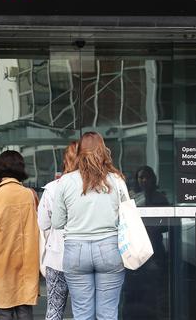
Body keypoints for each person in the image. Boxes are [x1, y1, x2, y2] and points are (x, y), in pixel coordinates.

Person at [52, 131, 126, 320]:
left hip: (75, 250)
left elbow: (57, 223)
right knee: (108, 313)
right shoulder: (116, 180)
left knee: (82, 314)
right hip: (109, 247)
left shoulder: (65, 182)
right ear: (103, 150)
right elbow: (126, 216)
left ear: (79, 152)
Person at [0, 150, 40, 320]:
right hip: (26, 266)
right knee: (25, 312)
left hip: (2, 265)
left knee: (3, 313)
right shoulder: (30, 195)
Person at [37, 141, 78, 320]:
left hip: (57, 257)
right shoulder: (93, 186)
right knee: (83, 310)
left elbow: (43, 223)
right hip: (82, 257)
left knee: (54, 310)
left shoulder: (53, 188)